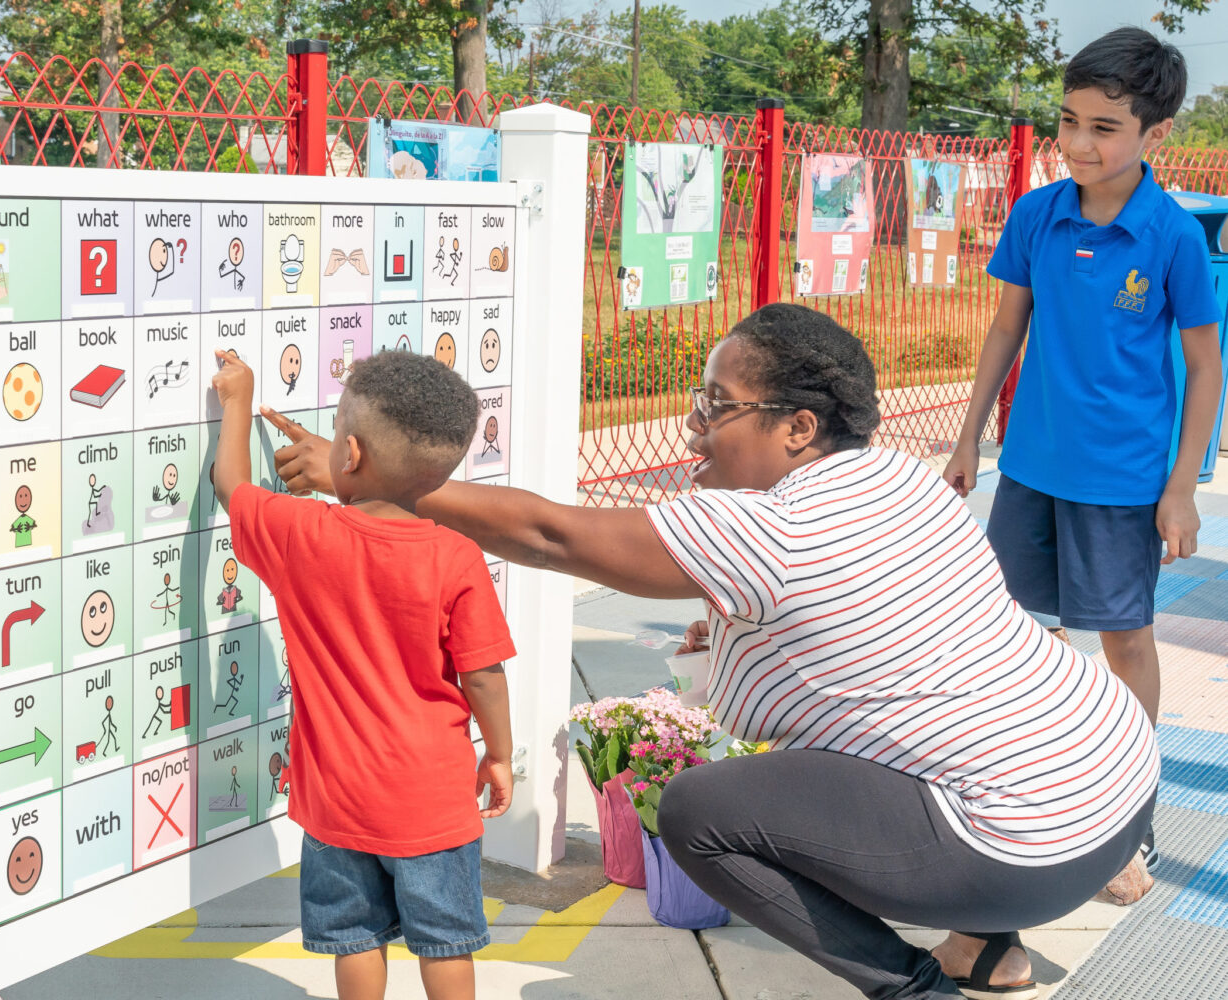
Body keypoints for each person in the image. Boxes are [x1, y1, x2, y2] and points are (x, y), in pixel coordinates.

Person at [268, 304, 1159, 1000]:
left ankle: (911, 984)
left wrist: (382, 478)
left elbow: (549, 535)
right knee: (886, 760)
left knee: (699, 811)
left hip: (1017, 846)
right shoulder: (894, 478)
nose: (694, 429)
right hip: (1113, 786)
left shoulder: (771, 527)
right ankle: (987, 948)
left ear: (798, 429)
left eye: (717, 409)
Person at [943, 28, 1219, 877]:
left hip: (1123, 480)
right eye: (1068, 122)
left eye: (1103, 127)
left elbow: (1207, 365)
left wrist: (1181, 487)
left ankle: (1129, 817)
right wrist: (965, 440)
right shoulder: (1037, 212)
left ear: (1153, 134)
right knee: (1019, 636)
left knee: (1124, 641)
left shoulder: (1171, 235)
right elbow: (1004, 327)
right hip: (1027, 468)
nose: (1078, 144)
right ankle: (1029, 796)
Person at [211, 347, 515, 1000]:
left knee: (352, 936)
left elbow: (232, 487)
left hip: (335, 800)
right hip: (432, 800)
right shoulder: (457, 558)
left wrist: (238, 400)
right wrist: (497, 754)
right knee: (446, 942)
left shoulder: (299, 534)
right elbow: (483, 675)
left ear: (346, 455)